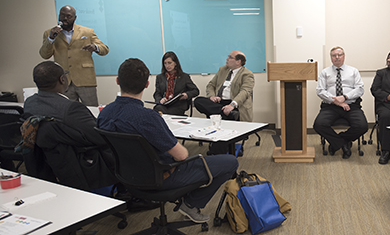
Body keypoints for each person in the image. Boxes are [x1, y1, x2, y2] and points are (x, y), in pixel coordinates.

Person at [97, 58, 238, 223]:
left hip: (125, 177)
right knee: (230, 162)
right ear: (147, 84)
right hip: (161, 177)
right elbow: (182, 156)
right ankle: (191, 204)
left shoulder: (105, 114)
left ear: (117, 81)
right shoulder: (148, 118)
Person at [23, 61, 116, 191]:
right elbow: (99, 137)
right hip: (85, 166)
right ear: (62, 79)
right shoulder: (71, 108)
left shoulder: (30, 103)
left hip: (51, 167)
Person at [39, 5, 109, 106]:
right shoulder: (49, 33)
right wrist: (50, 39)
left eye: (68, 16)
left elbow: (105, 49)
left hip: (85, 79)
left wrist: (95, 47)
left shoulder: (87, 32)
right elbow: (44, 55)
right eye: (62, 15)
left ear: (75, 18)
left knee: (91, 110)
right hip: (63, 81)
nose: (65, 18)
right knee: (67, 112)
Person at [313, 46, 368, 159]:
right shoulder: (325, 72)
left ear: (344, 56)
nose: (337, 57)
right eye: (334, 55)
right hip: (330, 106)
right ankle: (343, 144)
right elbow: (320, 91)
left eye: (339, 55)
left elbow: (360, 89)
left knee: (362, 126)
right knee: (318, 125)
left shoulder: (353, 71)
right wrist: (335, 101)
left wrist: (345, 97)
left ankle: (337, 142)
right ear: (331, 58)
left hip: (351, 105)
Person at [194, 50, 254, 122]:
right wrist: (212, 96)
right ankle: (227, 114)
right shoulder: (223, 69)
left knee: (215, 109)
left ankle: (227, 113)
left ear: (238, 62)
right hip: (219, 102)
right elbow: (211, 85)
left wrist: (232, 105)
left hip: (234, 103)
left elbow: (245, 92)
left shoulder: (247, 74)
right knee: (198, 101)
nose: (227, 59)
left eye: (230, 57)